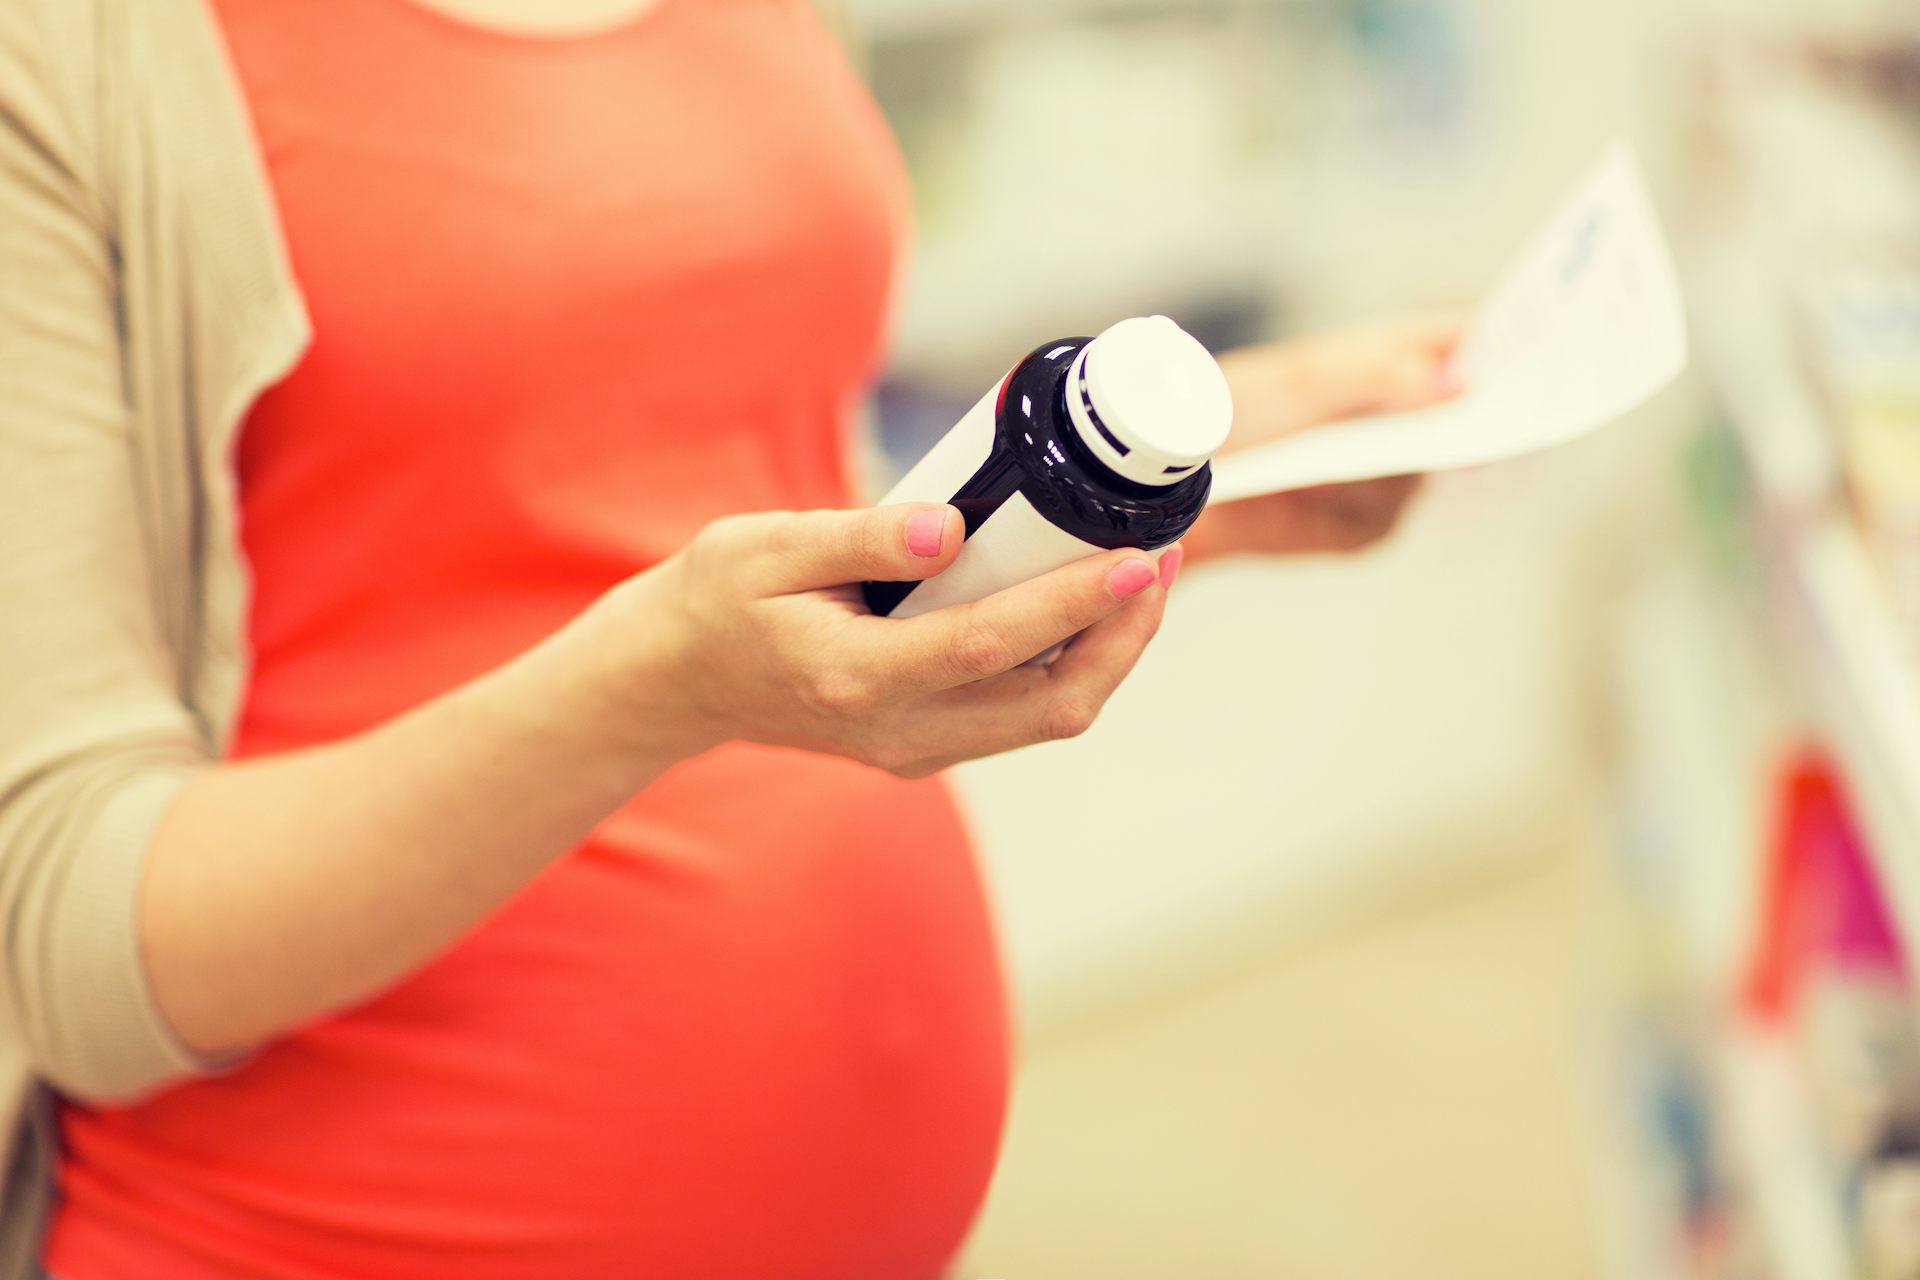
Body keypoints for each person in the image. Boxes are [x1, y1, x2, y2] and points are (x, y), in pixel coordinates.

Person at [0, 0, 1459, 1276]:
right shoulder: (71, 55)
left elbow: (740, 466)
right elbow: (69, 936)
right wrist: (649, 689)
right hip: (329, 1225)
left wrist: (1157, 479)